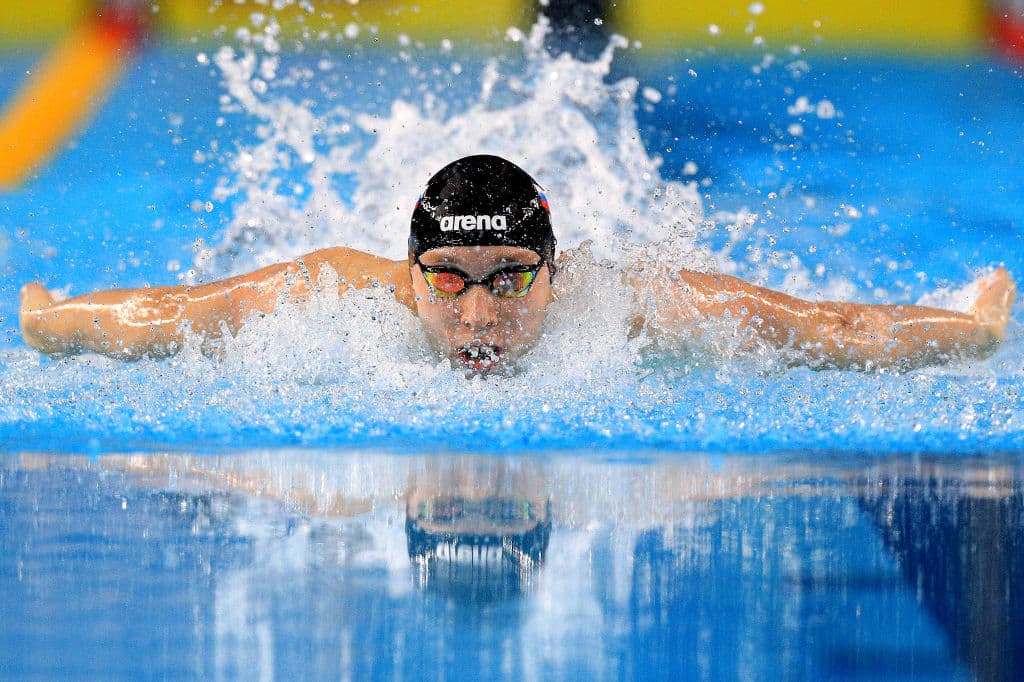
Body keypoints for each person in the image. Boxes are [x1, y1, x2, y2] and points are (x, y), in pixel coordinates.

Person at [18, 154, 1017, 372]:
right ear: (406, 274)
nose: (479, 316)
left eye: (511, 278)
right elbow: (161, 314)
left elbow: (826, 328)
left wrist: (967, 326)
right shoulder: (334, 296)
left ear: (554, 269)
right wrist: (51, 314)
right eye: (447, 281)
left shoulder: (630, 309)